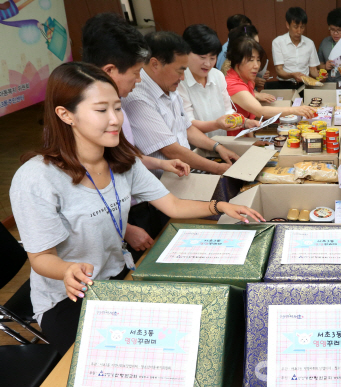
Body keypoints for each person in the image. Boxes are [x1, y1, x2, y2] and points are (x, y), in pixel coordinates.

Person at [9, 62, 264, 355]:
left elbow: (172, 204)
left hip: (118, 278)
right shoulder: (36, 178)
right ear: (66, 115)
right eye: (101, 110)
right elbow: (41, 257)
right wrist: (67, 269)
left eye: (117, 108)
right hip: (69, 299)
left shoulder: (120, 160)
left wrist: (219, 206)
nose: (115, 119)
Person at [82, 13, 190, 260]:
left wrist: (160, 163)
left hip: (133, 206)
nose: (139, 80)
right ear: (110, 70)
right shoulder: (84, 114)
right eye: (135, 72)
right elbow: (84, 189)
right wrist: (123, 228)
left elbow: (126, 156)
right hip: (113, 225)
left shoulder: (117, 103)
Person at [122, 31, 239, 176]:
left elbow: (187, 127)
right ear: (155, 64)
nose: (182, 77)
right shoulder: (138, 98)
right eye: (180, 71)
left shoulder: (168, 86)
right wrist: (217, 168)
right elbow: (171, 150)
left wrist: (217, 147)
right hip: (165, 181)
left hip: (185, 171)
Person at [178, 24, 261, 139]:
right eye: (202, 57)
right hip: (196, 148)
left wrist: (244, 122)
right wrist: (217, 124)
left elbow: (228, 110)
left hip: (221, 142)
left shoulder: (217, 75)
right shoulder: (179, 81)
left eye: (212, 58)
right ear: (186, 53)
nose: (207, 64)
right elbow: (188, 124)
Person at [227, 36, 315, 136]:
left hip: (243, 137)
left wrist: (253, 141)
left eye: (258, 60)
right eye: (251, 60)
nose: (256, 65)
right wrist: (294, 110)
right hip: (232, 140)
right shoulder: (233, 84)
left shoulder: (248, 80)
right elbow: (260, 111)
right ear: (237, 61)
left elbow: (248, 119)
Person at [271, 7, 319, 87]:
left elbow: (313, 69)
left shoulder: (309, 43)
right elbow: (279, 70)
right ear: (287, 25)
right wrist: (292, 75)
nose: (299, 31)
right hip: (284, 85)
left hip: (304, 84)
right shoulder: (278, 42)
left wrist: (320, 77)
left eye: (302, 27)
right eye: (296, 27)